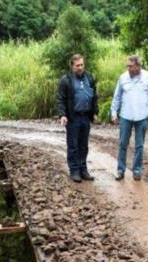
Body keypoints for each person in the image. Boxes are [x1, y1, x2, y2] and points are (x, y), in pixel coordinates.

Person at [110, 55, 148, 181]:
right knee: (122, 144)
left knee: (139, 145)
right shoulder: (123, 77)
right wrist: (114, 112)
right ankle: (120, 170)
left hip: (142, 116)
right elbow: (117, 97)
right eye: (127, 66)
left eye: (131, 66)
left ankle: (137, 171)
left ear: (138, 66)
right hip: (125, 115)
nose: (129, 68)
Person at [56, 54, 99, 183]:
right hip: (73, 117)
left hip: (86, 117)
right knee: (73, 145)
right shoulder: (66, 80)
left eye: (82, 65)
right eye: (77, 65)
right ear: (72, 66)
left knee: (84, 146)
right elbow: (60, 99)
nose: (80, 67)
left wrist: (95, 112)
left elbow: (94, 96)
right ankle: (74, 171)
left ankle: (83, 170)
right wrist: (62, 114)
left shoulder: (89, 78)